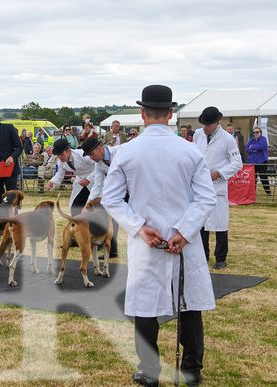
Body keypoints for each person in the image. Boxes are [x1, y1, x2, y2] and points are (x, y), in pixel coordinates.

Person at [101, 85, 217, 387]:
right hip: (182, 240)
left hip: (148, 240)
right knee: (187, 302)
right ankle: (192, 369)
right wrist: (184, 230)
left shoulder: (127, 151)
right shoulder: (190, 149)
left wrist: (139, 226)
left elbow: (110, 198)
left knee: (146, 305)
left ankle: (150, 371)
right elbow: (206, 199)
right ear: (170, 114)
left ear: (142, 114)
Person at [193, 106, 243, 269]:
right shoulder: (198, 135)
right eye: (203, 124)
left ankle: (220, 257)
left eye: (208, 125)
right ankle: (203, 255)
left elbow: (237, 163)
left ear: (217, 123)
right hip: (200, 186)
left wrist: (219, 173)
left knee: (220, 224)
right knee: (201, 223)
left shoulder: (228, 139)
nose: (204, 127)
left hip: (217, 186)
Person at [81, 137, 123, 258]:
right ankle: (112, 250)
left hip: (131, 188)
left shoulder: (120, 151)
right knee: (112, 219)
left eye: (92, 154)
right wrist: (88, 204)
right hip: (116, 192)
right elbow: (97, 185)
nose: (91, 157)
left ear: (99, 149)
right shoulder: (98, 164)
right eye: (89, 155)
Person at [46, 138, 95, 217]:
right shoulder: (61, 161)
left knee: (96, 208)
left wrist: (89, 179)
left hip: (95, 180)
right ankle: (78, 227)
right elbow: (59, 174)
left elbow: (98, 167)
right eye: (58, 155)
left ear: (68, 151)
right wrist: (52, 183)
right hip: (80, 182)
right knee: (75, 208)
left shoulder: (83, 155)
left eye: (62, 154)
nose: (60, 157)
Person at [246, 126, 271, 196]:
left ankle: (268, 192)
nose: (255, 133)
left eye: (257, 132)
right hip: (252, 161)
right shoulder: (251, 140)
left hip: (262, 161)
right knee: (253, 178)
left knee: (263, 177)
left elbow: (261, 147)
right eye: (254, 132)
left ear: (260, 132)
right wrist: (254, 149)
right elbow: (247, 149)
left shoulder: (263, 139)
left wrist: (252, 147)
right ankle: (252, 193)